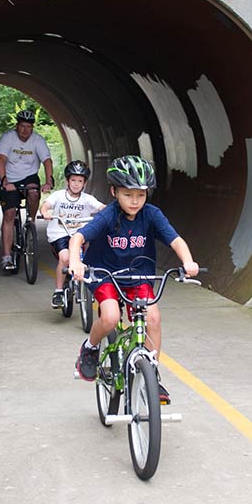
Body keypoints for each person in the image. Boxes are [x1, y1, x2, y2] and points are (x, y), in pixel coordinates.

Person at [67, 154, 199, 404]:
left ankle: (153, 374)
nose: (135, 201)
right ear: (114, 191)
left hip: (139, 275)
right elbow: (78, 239)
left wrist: (188, 261)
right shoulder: (108, 216)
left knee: (153, 318)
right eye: (128, 194)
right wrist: (76, 262)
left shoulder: (151, 214)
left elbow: (175, 240)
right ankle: (91, 347)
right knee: (110, 317)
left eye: (141, 194)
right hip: (105, 274)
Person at [0, 108, 54, 272]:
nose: (25, 130)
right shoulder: (8, 138)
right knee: (9, 214)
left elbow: (47, 161)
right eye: (22, 126)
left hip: (28, 176)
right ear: (17, 126)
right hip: (9, 177)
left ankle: (30, 221)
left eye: (29, 127)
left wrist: (49, 181)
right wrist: (5, 181)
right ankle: (6, 257)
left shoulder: (37, 140)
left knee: (34, 192)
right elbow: (1, 159)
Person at [40, 160, 106, 309]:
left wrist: (109, 212)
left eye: (80, 181)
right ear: (67, 181)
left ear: (85, 183)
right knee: (65, 258)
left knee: (90, 257)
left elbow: (101, 207)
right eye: (73, 180)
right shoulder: (58, 196)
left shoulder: (87, 199)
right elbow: (46, 205)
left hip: (80, 234)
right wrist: (45, 212)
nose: (76, 184)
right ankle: (58, 291)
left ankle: (89, 284)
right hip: (60, 233)